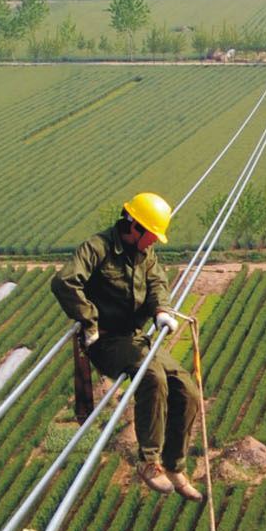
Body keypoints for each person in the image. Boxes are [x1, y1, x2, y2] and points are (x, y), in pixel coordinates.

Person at [51, 191, 202, 500]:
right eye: (152, 235)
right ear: (134, 227)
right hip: (104, 339)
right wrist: (89, 321)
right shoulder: (97, 248)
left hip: (134, 337)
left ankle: (175, 465)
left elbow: (157, 282)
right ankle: (149, 462)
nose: (154, 241)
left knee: (187, 388)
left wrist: (161, 309)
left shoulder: (144, 252)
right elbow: (64, 281)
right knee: (152, 378)